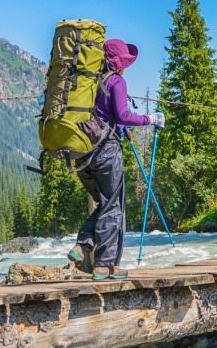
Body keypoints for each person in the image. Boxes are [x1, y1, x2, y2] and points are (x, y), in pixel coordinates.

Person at [67, 39, 164, 279]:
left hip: (81, 153)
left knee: (105, 204)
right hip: (105, 153)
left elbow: (101, 114)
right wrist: (150, 119)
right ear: (119, 63)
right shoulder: (116, 81)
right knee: (113, 207)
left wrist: (120, 127)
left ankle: (83, 246)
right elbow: (122, 114)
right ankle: (105, 265)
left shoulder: (87, 81)